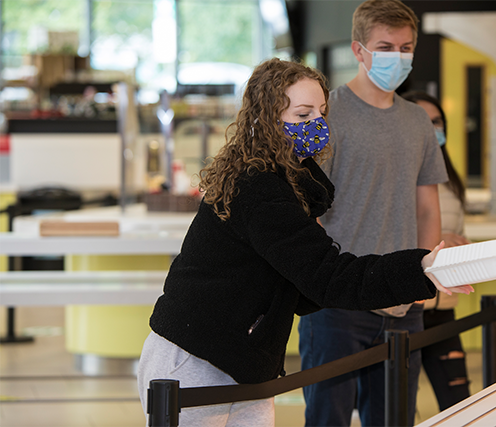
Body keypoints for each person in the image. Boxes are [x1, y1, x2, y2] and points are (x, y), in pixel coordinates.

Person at [136, 57, 473, 427]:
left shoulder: (286, 184)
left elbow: (307, 286)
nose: (316, 123)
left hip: (243, 363)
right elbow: (327, 277)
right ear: (266, 120)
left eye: (321, 112)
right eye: (302, 114)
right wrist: (419, 268)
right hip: (195, 360)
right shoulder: (260, 187)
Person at [298, 1, 450, 426]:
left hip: (403, 297)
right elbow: (306, 207)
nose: (397, 57)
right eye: (385, 46)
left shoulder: (418, 120)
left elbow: (426, 204)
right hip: (337, 300)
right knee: (328, 418)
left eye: (406, 47)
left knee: (395, 417)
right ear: (358, 50)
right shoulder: (326, 114)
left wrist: (427, 274)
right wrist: (316, 278)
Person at [401, 91, 471, 410]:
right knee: (401, 403)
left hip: (444, 306)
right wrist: (437, 237)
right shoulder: (397, 175)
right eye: (422, 121)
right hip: (405, 307)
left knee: (457, 399)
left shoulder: (451, 178)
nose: (432, 128)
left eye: (437, 121)